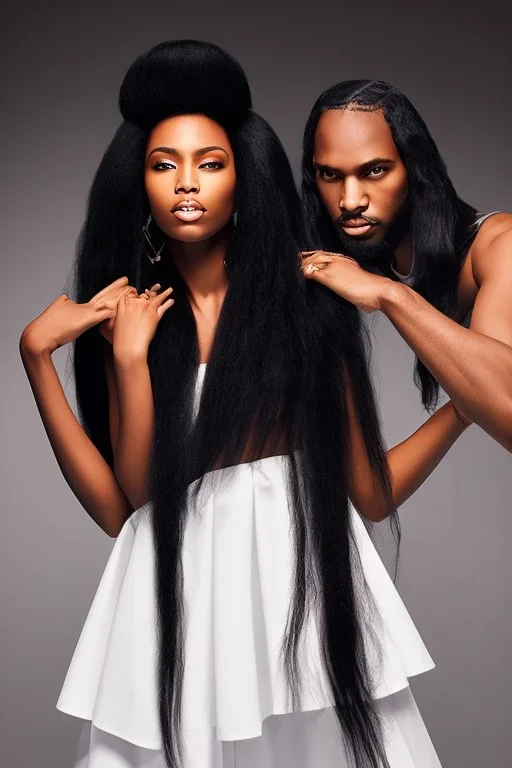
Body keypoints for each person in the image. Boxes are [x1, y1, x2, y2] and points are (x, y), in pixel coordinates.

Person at [20, 42, 465, 768]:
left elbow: (370, 495)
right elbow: (124, 507)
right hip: (170, 596)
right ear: (138, 183)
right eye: (164, 164)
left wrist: (465, 406)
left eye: (210, 163)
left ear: (242, 177)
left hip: (302, 588)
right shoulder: (125, 319)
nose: (186, 184)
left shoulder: (308, 301)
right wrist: (41, 359)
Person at [301, 80, 512, 452]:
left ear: (415, 169)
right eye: (331, 175)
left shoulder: (501, 244)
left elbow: (507, 412)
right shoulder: (363, 260)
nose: (350, 201)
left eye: (375, 171)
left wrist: (389, 295)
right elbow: (374, 497)